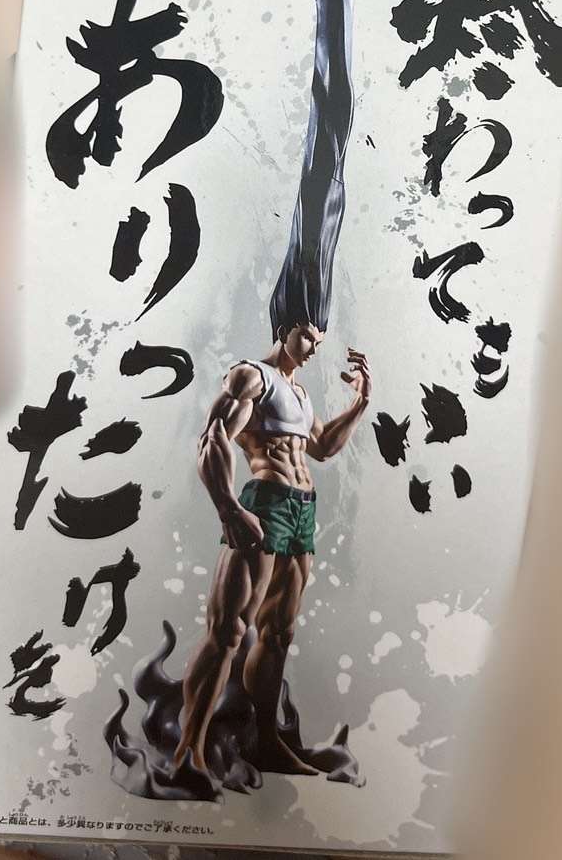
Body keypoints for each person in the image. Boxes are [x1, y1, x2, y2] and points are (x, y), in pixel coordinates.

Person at [171, 321, 371, 784]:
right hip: (266, 501)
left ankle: (263, 741)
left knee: (278, 632)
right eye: (307, 336)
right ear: (284, 328)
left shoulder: (298, 392)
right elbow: (212, 439)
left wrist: (360, 402)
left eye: (320, 341)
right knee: (228, 630)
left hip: (303, 508)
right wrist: (228, 508)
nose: (313, 348)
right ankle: (187, 753)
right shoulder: (251, 376)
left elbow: (322, 447)